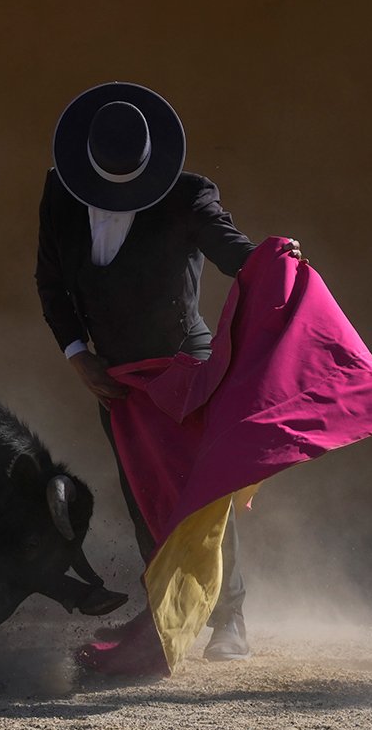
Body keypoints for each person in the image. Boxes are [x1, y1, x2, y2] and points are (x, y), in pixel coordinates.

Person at [35, 82, 301, 669]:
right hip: (115, 377)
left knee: (203, 496)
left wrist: (277, 260)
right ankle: (168, 609)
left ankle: (228, 619)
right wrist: (79, 355)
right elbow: (51, 284)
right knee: (143, 496)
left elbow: (236, 257)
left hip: (185, 367)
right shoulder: (61, 191)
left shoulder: (188, 196)